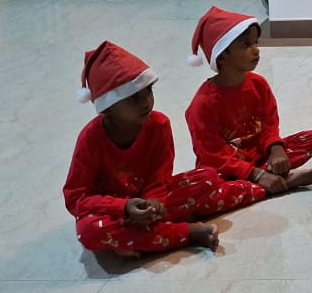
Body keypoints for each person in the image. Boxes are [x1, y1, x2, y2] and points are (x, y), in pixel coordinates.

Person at [64, 41, 263, 257]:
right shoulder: (90, 139)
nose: (146, 102)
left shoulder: (159, 124)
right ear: (108, 107)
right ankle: (187, 233)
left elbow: (160, 178)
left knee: (208, 178)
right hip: (113, 212)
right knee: (88, 231)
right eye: (134, 98)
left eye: (148, 91)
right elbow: (76, 198)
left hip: (152, 203)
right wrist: (124, 207)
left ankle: (136, 238)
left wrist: (153, 203)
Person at [186, 7, 312, 194]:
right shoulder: (203, 104)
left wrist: (276, 149)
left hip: (260, 158)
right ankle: (274, 183)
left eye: (255, 42)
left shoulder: (258, 84)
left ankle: (262, 184)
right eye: (246, 45)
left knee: (311, 139)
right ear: (222, 55)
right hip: (226, 169)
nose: (256, 49)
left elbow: (269, 125)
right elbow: (212, 155)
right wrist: (255, 174)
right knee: (205, 184)